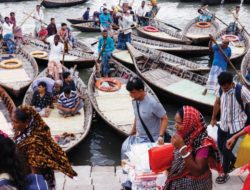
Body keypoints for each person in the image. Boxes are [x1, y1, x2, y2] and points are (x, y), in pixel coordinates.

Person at [12, 105, 77, 189]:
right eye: (12, 121)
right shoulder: (28, 132)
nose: (13, 125)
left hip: (38, 182)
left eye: (16, 122)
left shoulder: (33, 143)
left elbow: (35, 173)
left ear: (27, 122)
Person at [164, 106, 223, 190]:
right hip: (177, 183)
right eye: (175, 122)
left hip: (196, 185)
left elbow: (197, 171)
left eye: (180, 123)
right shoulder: (183, 135)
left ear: (190, 123)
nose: (175, 126)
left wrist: (182, 147)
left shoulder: (203, 143)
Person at [210, 72, 250, 183]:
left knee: (226, 150)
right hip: (223, 124)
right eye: (222, 87)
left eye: (226, 87)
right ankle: (234, 160)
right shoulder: (221, 88)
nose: (224, 89)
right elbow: (217, 102)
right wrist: (213, 118)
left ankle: (225, 173)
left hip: (236, 126)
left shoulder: (241, 90)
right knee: (220, 147)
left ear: (232, 83)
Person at [127, 76, 168, 144]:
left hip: (152, 140)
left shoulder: (153, 103)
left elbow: (165, 118)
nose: (130, 95)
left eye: (132, 92)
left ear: (141, 91)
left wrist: (160, 136)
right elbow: (137, 116)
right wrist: (133, 130)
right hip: (139, 138)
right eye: (129, 92)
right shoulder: (135, 101)